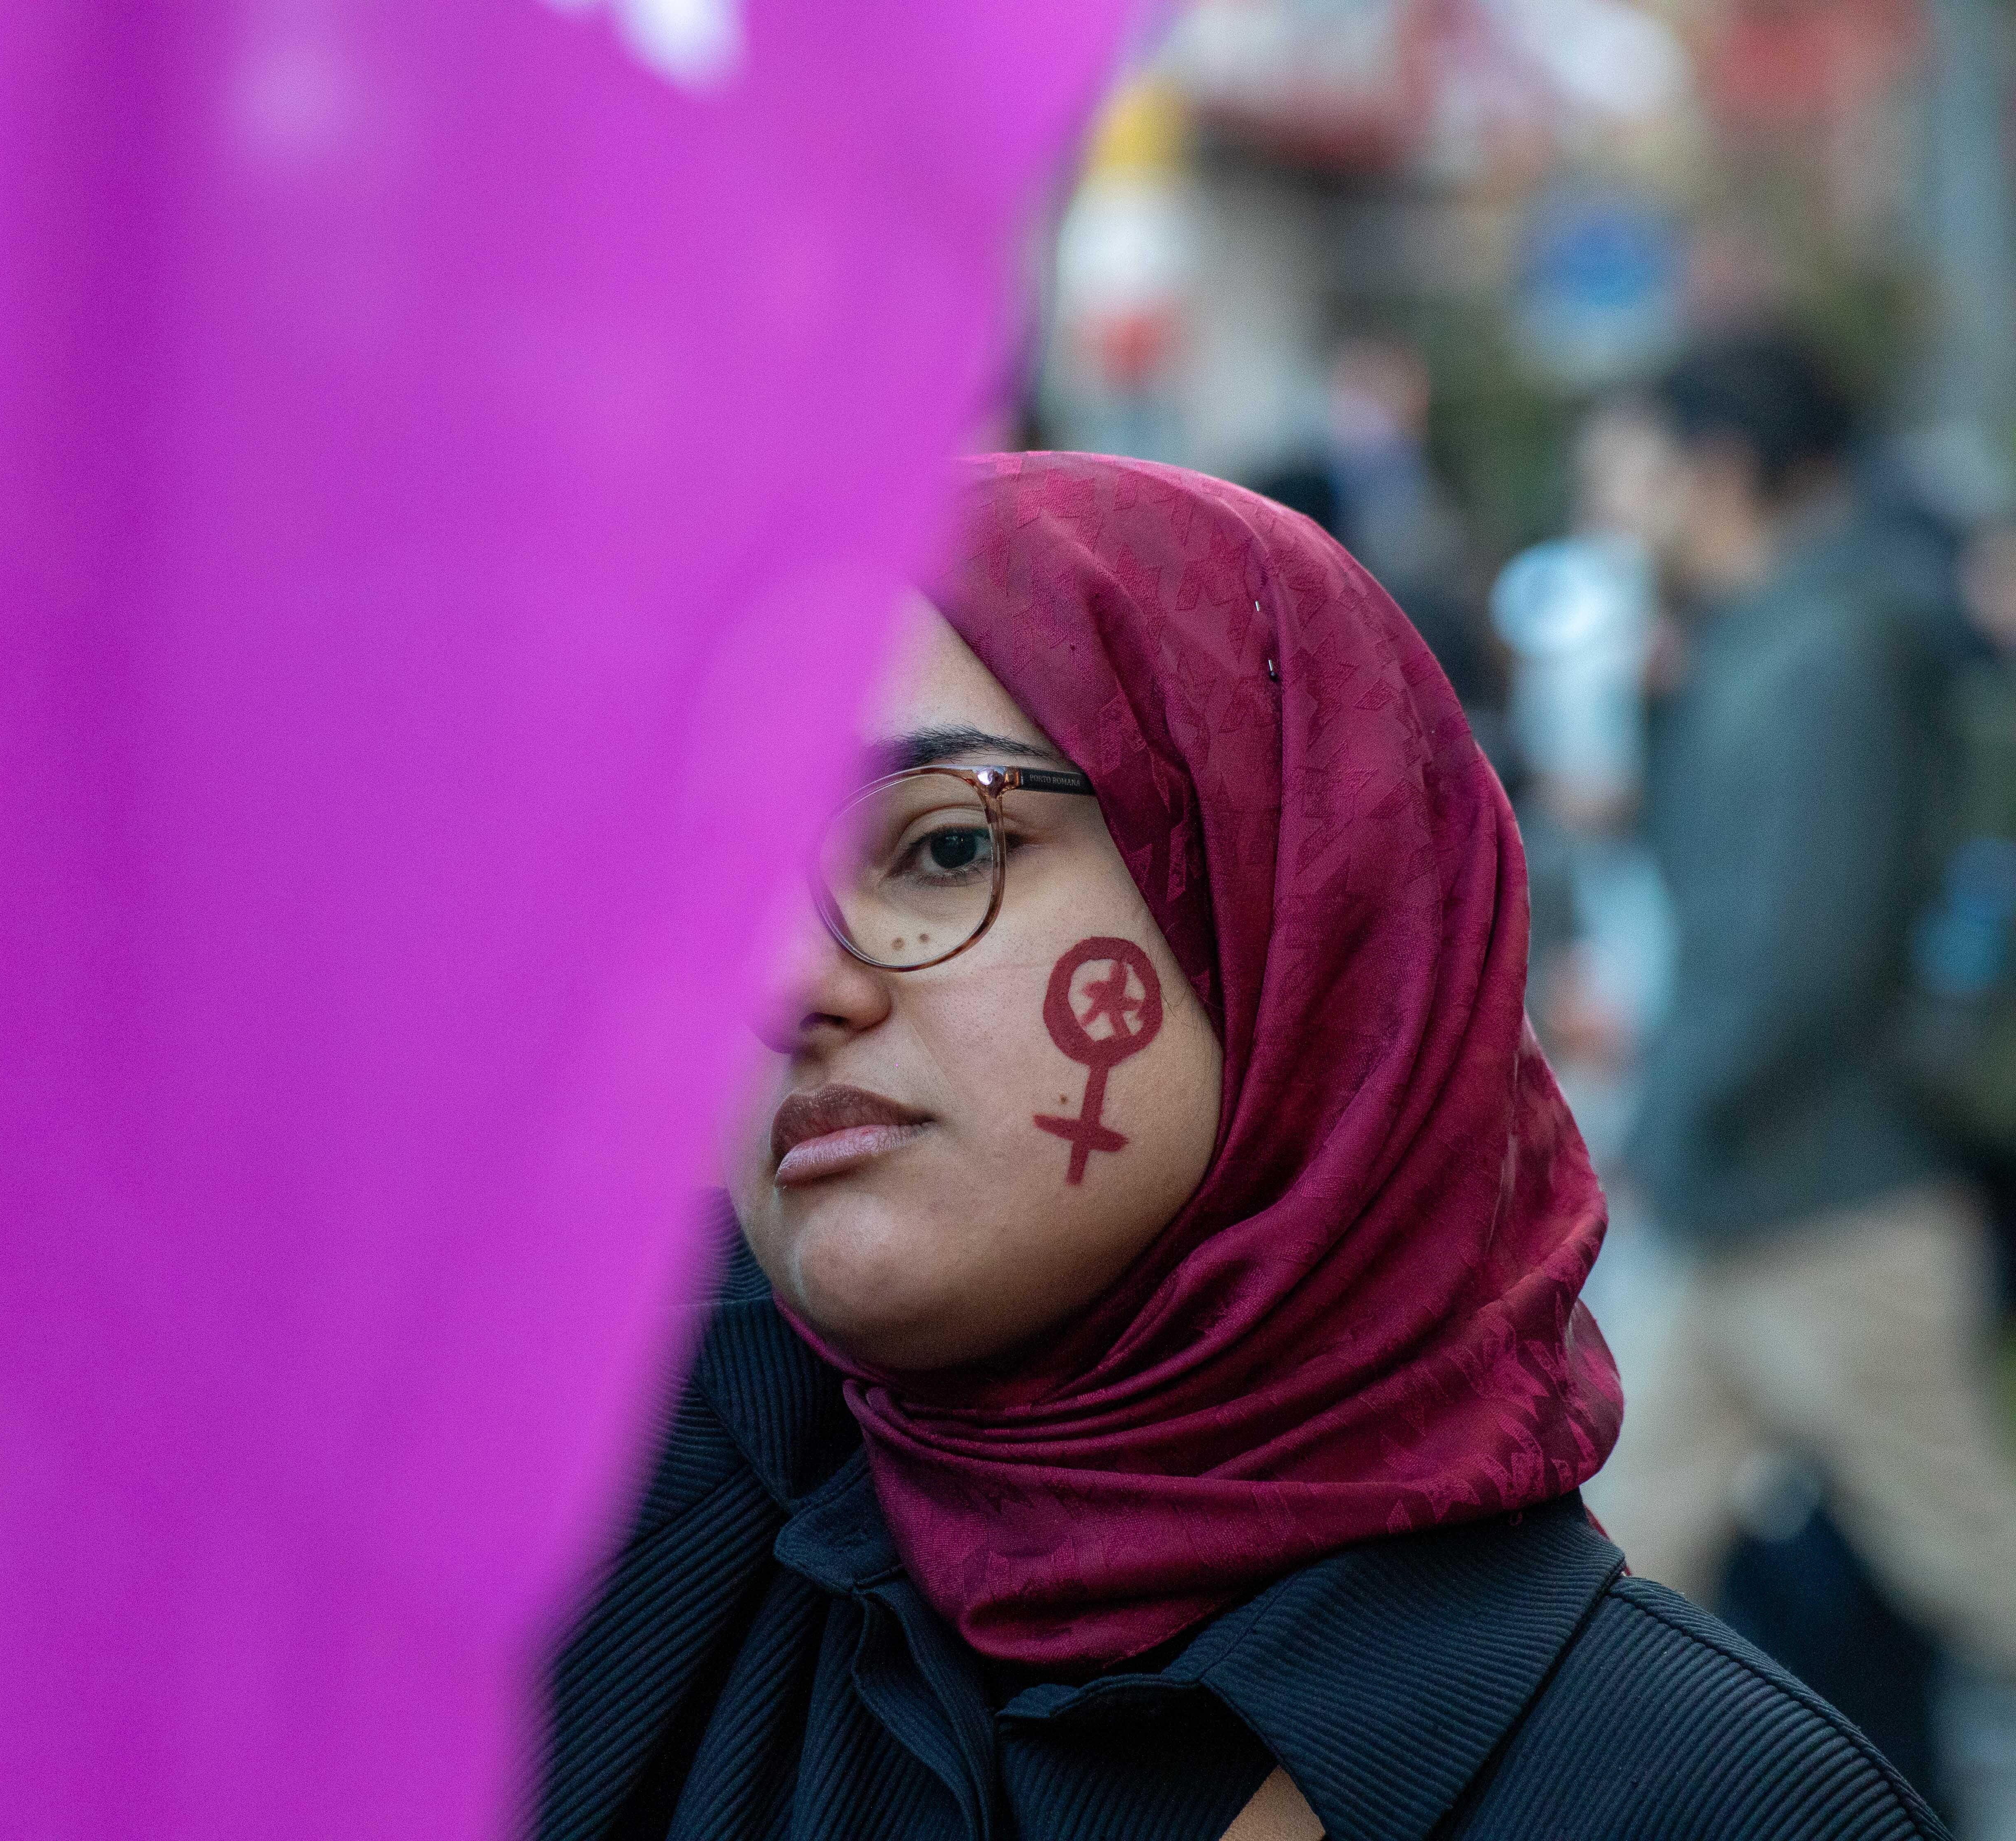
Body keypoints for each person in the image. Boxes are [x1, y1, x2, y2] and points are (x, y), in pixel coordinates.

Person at [539, 452, 1943, 1841]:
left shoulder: (1711, 1799)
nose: (786, 986)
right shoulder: (591, 1543)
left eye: (945, 852)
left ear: (1297, 920)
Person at [1600, 333, 2016, 1743]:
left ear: (1721, 473)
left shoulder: (1824, 654)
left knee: (1979, 1564)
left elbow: (1788, 955)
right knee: (1609, 1563)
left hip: (1837, 1206)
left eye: (1638, 467)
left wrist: (1653, 1134)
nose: (1617, 500)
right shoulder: (1760, 642)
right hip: (1761, 1201)